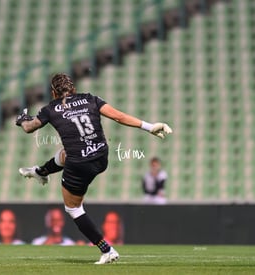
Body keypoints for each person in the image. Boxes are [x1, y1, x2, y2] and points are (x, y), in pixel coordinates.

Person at [15, 73, 172, 264]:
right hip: (101, 156)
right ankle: (41, 172)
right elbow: (119, 117)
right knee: (65, 153)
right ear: (73, 88)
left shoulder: (50, 109)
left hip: (80, 164)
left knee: (73, 208)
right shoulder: (90, 99)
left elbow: (29, 128)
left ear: (54, 92)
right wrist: (150, 127)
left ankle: (107, 250)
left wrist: (22, 119)